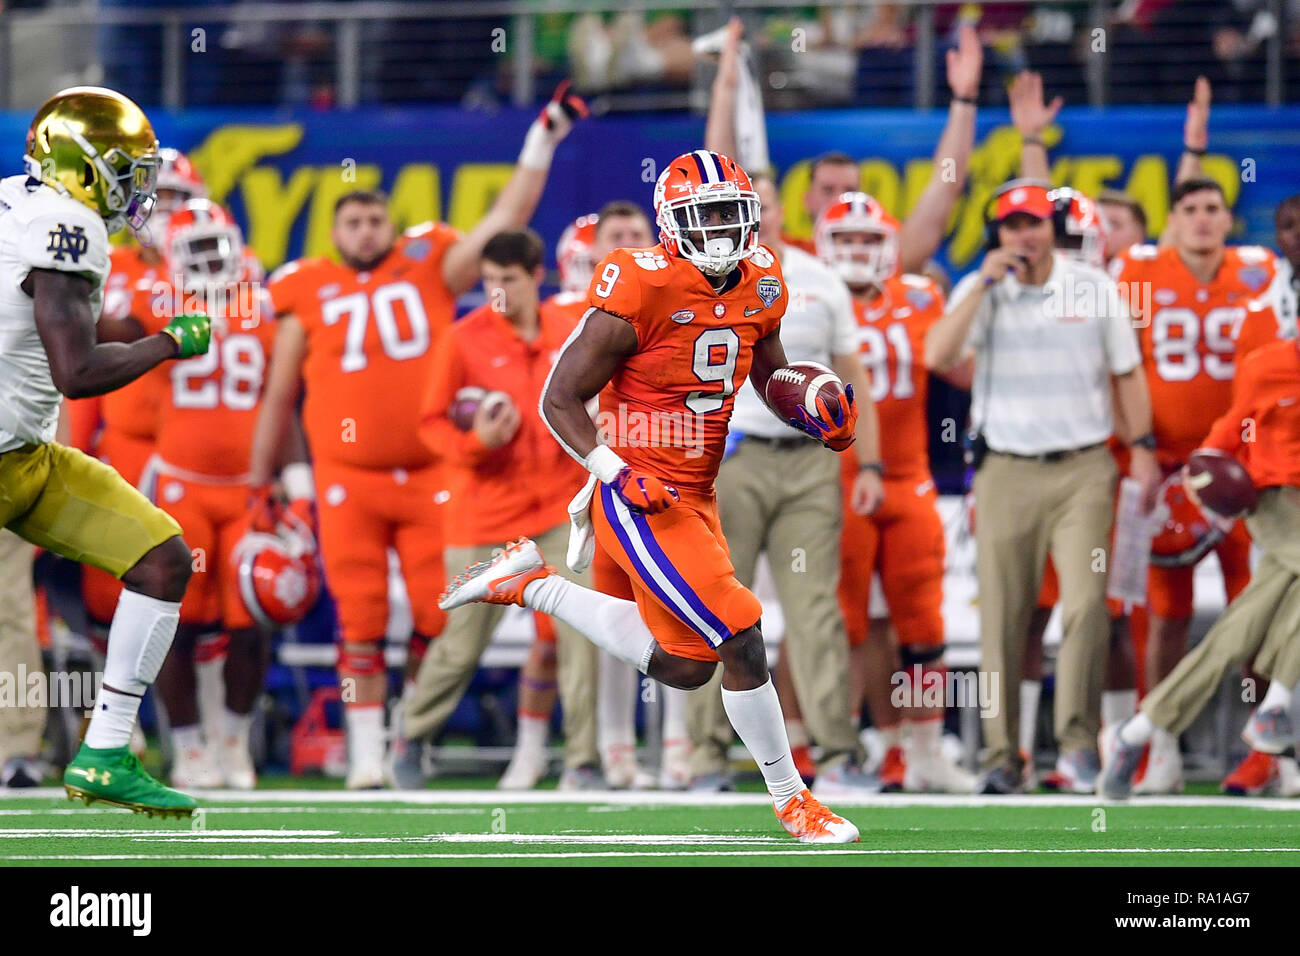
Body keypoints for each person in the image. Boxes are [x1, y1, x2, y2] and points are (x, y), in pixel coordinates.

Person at [440, 149, 862, 842]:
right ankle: (793, 801)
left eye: (733, 213)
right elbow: (558, 398)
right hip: (637, 489)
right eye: (709, 215)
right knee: (742, 632)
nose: (724, 229)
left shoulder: (762, 279)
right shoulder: (639, 283)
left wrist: (814, 407)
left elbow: (769, 374)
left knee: (686, 667)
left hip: (697, 492)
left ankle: (533, 585)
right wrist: (611, 470)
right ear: (673, 223)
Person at [250, 84, 586, 788]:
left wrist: (541, 138)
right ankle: (369, 755)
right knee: (361, 612)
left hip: (436, 475)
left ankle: (410, 732)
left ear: (390, 225)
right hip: (349, 477)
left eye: (375, 219)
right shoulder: (306, 286)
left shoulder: (428, 262)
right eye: (354, 221)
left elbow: (506, 220)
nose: (366, 231)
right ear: (333, 232)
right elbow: (279, 391)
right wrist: (273, 479)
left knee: (443, 617)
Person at [2, 86, 213, 816]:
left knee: (160, 558)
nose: (138, 187)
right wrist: (166, 342)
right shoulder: (67, 227)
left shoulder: (15, 201)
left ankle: (104, 752)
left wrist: (125, 322)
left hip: (22, 456)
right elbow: (78, 372)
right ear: (83, 166)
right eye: (127, 168)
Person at [925, 181, 1161, 794]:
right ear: (997, 235)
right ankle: (1005, 756)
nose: (1023, 236)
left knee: (1086, 605)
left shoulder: (1095, 287)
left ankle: (1080, 745)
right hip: (1004, 468)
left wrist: (1142, 449)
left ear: (1051, 230)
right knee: (1004, 615)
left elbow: (1127, 374)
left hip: (1084, 467)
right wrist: (982, 284)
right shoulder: (983, 291)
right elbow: (936, 353)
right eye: (1011, 227)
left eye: (1033, 224)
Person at [389, 228, 598, 790]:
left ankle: (582, 760)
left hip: (558, 510)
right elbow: (429, 424)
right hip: (483, 516)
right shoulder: (462, 338)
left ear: (536, 278)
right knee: (460, 647)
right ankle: (411, 734)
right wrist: (477, 440)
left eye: (508, 280)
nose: (496, 291)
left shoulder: (568, 330)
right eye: (487, 281)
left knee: (583, 638)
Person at [1109, 176, 1280, 792]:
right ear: (1172, 221)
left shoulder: (1262, 275)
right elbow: (1121, 365)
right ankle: (1160, 744)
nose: (1203, 220)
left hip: (1243, 470)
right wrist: (1141, 449)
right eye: (1190, 209)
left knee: (1257, 613)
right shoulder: (1138, 273)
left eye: (1213, 209)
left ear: (1230, 219)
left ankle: (1270, 750)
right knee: (1165, 614)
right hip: (1166, 468)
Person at [816, 192, 977, 793]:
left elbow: (961, 367)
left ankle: (926, 749)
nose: (857, 251)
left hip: (909, 476)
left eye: (868, 240)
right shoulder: (805, 300)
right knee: (847, 623)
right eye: (846, 240)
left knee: (924, 623)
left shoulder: (920, 297)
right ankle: (865, 748)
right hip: (837, 475)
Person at [119, 200, 280, 790]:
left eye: (218, 247)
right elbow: (107, 333)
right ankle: (187, 745)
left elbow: (284, 395)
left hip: (248, 490)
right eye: (199, 250)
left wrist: (293, 478)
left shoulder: (264, 305)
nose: (212, 261)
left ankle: (233, 737)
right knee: (175, 619)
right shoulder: (153, 299)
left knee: (252, 617)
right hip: (179, 485)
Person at [1100, 337, 1300, 799]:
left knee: (1238, 630)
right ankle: (1276, 703)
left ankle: (1139, 729)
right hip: (1276, 500)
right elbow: (1236, 422)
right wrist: (1200, 469)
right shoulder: (1267, 365)